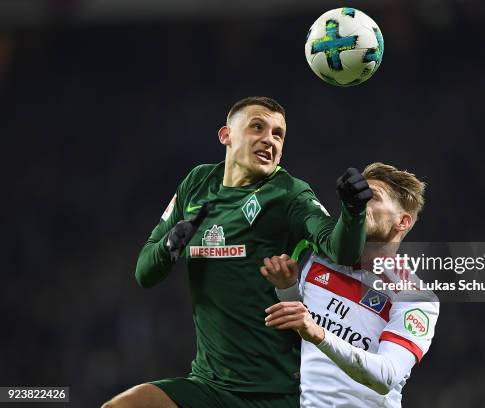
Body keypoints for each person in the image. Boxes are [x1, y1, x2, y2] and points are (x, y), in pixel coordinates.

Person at [102, 96, 372, 408]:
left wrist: (353, 211)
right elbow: (144, 273)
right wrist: (170, 245)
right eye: (258, 127)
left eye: (278, 134)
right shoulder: (197, 183)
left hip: (276, 393)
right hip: (208, 385)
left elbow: (340, 251)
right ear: (226, 135)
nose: (269, 139)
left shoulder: (288, 193)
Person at [260, 162, 439, 408]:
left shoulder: (414, 296)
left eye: (373, 197)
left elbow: (386, 376)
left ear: (403, 221)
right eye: (359, 195)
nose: (361, 202)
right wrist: (287, 288)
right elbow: (303, 327)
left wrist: (319, 334)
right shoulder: (319, 258)